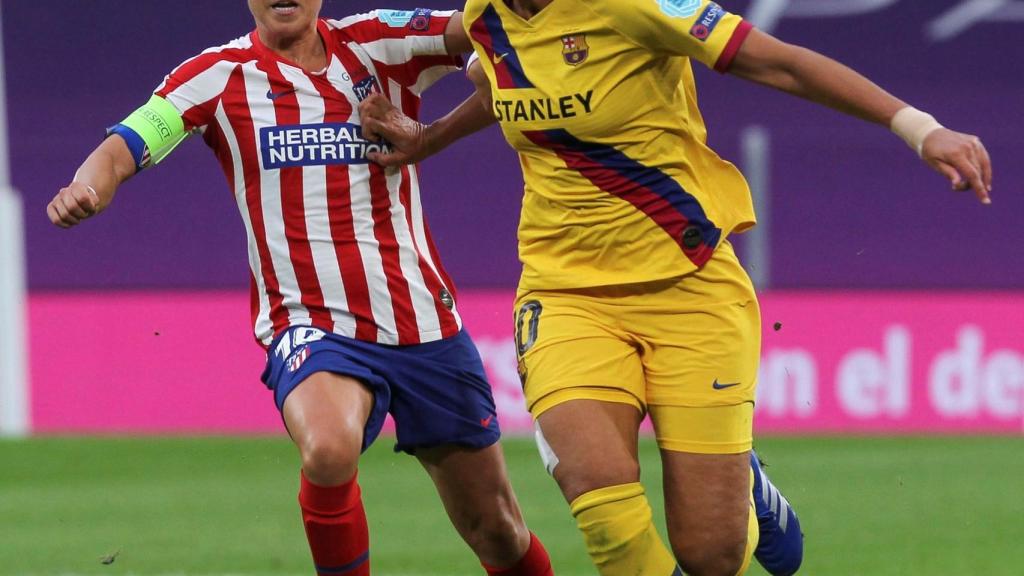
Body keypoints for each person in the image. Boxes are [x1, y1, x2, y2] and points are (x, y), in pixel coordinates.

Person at [357, 0, 994, 574]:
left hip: (691, 286)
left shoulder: (631, 7)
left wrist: (918, 127)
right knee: (606, 512)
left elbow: (783, 65)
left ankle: (744, 487)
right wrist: (431, 139)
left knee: (710, 555)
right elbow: (506, 83)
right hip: (564, 292)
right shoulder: (486, 18)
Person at [46, 2, 556, 575]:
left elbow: (498, 27)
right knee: (328, 447)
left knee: (499, 532)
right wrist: (86, 187)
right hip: (310, 323)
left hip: (424, 322)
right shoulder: (218, 76)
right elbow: (125, 145)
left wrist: (440, 127)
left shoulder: (380, 42)